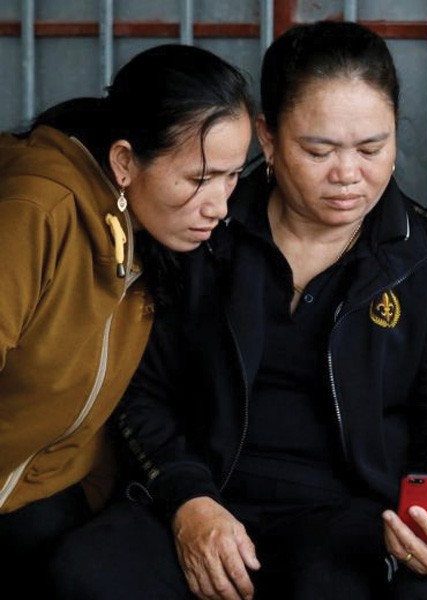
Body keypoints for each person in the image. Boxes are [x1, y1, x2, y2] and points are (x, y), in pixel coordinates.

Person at [50, 21, 427, 600]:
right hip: (204, 493)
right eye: (318, 150)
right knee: (85, 572)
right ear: (267, 137)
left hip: (349, 519)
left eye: (372, 148)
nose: (348, 174)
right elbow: (139, 390)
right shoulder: (204, 231)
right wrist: (188, 501)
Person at [0, 44, 253, 594]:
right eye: (199, 178)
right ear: (124, 162)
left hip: (55, 492)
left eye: (232, 176)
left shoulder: (149, 232)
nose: (219, 205)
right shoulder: (36, 213)